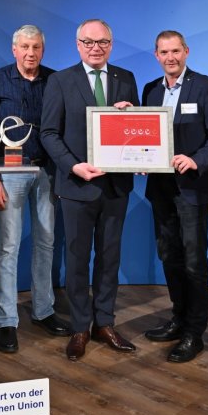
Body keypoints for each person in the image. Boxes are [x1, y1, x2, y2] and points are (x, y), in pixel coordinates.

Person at [40, 18, 139, 361]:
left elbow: (133, 129)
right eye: (89, 42)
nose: (96, 48)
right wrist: (73, 166)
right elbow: (49, 133)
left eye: (103, 42)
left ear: (111, 44)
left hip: (115, 185)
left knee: (110, 258)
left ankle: (105, 323)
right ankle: (80, 326)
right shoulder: (60, 80)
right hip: (77, 185)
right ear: (77, 44)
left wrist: (132, 115)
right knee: (78, 259)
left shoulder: (126, 78)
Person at [0, 24, 70, 354]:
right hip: (9, 173)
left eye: (36, 47)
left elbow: (66, 126)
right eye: (25, 47)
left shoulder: (56, 80)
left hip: (47, 172)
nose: (31, 53)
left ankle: (43, 310)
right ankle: (6, 320)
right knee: (9, 246)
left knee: (46, 242)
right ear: (14, 49)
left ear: (43, 50)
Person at [142, 30, 208, 363]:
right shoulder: (150, 90)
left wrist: (195, 160)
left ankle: (194, 332)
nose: (170, 57)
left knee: (193, 261)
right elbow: (143, 135)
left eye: (175, 51)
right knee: (169, 256)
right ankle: (178, 317)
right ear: (156, 55)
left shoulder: (205, 87)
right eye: (164, 52)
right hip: (160, 189)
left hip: (193, 188)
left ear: (186, 52)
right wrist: (138, 159)